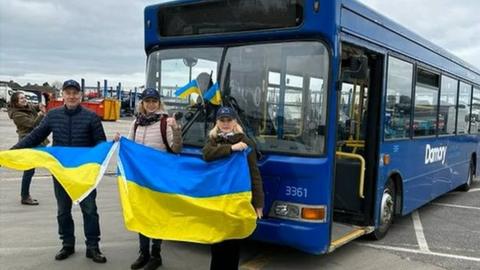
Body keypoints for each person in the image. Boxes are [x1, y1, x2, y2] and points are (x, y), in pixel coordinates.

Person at [12, 79, 108, 263]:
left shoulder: (91, 117)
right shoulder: (53, 115)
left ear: (80, 95)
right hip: (61, 173)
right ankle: (67, 245)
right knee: (63, 210)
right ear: (62, 95)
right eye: (68, 93)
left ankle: (93, 247)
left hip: (83, 174)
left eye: (75, 93)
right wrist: (12, 152)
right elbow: (36, 136)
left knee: (90, 210)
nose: (71, 96)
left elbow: (101, 145)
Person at [115, 87, 182, 270]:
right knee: (142, 215)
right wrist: (119, 140)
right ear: (142, 103)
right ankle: (143, 253)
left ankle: (156, 254)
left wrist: (176, 130)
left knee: (156, 216)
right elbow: (129, 145)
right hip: (140, 178)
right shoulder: (136, 123)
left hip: (158, 178)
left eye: (154, 101)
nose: (151, 104)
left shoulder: (165, 122)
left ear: (159, 103)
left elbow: (176, 149)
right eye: (147, 101)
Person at [202, 106, 264, 270]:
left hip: (235, 200)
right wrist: (230, 149)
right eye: (222, 120)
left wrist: (258, 204)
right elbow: (207, 154)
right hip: (217, 200)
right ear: (217, 122)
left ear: (235, 122)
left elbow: (254, 174)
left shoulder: (245, 142)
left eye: (229, 120)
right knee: (216, 244)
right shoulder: (213, 140)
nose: (226, 123)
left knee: (232, 245)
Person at [7, 91, 49, 205]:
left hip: (36, 140)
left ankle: (25, 195)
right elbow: (33, 124)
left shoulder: (27, 106)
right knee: (29, 169)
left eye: (24, 97)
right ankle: (25, 196)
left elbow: (35, 107)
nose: (24, 99)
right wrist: (40, 114)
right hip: (27, 141)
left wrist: (42, 103)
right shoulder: (17, 115)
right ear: (16, 102)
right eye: (21, 99)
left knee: (34, 168)